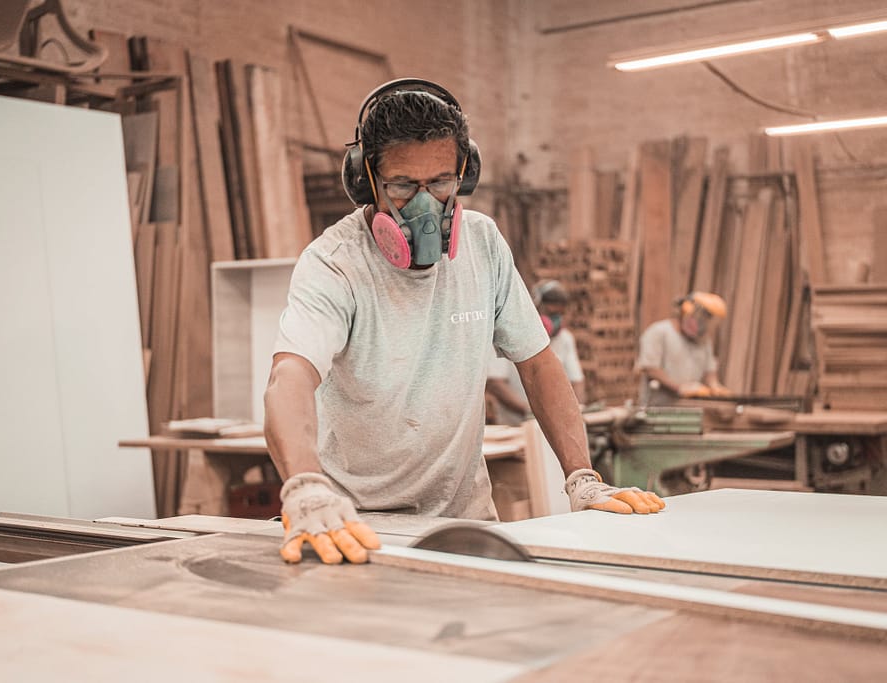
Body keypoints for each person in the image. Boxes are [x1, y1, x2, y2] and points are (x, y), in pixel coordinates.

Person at [263, 78, 665, 566]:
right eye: (404, 186)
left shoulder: (483, 244)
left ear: (463, 175)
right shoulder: (334, 262)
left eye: (440, 183)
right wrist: (306, 487)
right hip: (354, 523)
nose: (425, 204)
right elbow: (290, 376)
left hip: (464, 521)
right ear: (366, 180)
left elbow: (538, 364)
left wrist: (582, 477)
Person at [486, 280, 585, 425]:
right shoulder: (507, 335)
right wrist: (532, 412)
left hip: (555, 426)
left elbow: (577, 382)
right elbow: (496, 384)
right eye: (551, 313)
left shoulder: (565, 339)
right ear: (535, 307)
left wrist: (574, 412)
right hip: (516, 426)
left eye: (560, 314)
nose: (556, 319)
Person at [635, 292, 731, 406]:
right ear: (685, 312)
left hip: (688, 409)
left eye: (706, 320)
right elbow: (651, 369)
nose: (701, 325)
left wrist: (715, 386)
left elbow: (709, 371)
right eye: (699, 319)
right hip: (657, 408)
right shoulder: (659, 332)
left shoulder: (703, 342)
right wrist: (679, 388)